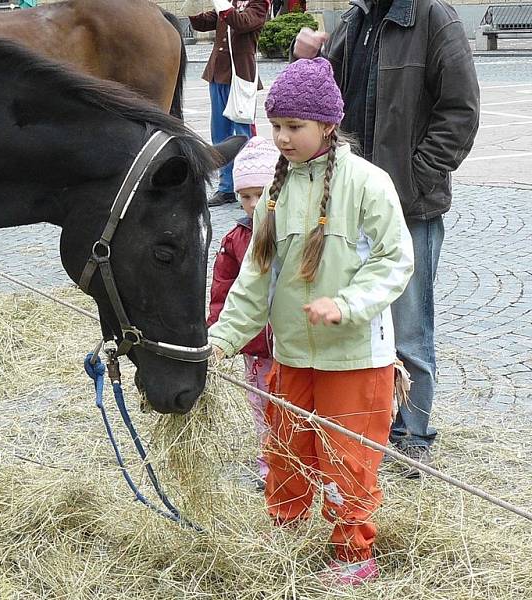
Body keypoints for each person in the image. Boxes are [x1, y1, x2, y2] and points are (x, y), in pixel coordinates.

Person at [208, 58, 414, 584]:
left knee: (350, 458)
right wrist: (223, 339)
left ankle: (352, 555)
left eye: (294, 127)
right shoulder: (274, 192)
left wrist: (345, 304)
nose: (281, 138)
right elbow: (254, 278)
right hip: (292, 354)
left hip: (356, 356)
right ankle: (286, 535)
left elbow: (394, 260)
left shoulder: (368, 182)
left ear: (327, 125)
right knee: (284, 452)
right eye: (276, 126)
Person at [291, 0, 480, 476]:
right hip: (348, 201)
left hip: (409, 205)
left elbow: (460, 112)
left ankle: (413, 434)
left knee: (409, 328)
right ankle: (361, 428)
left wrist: (417, 177)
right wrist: (306, 61)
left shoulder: (435, 18)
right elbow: (318, 101)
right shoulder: (355, 21)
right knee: (352, 312)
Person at [207, 136, 280, 490]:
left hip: (291, 344)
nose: (253, 204)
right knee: (262, 407)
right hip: (255, 347)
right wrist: (218, 334)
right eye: (245, 196)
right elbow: (223, 291)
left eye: (260, 194)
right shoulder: (235, 239)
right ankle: (270, 468)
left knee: (294, 407)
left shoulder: (291, 231)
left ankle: (299, 466)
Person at [189, 0, 270, 206]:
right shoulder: (229, 2)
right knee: (220, 134)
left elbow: (242, 22)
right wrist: (192, 9)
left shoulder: (259, 3)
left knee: (244, 134)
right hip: (218, 73)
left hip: (241, 76)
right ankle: (226, 187)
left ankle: (253, 182)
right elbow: (205, 23)